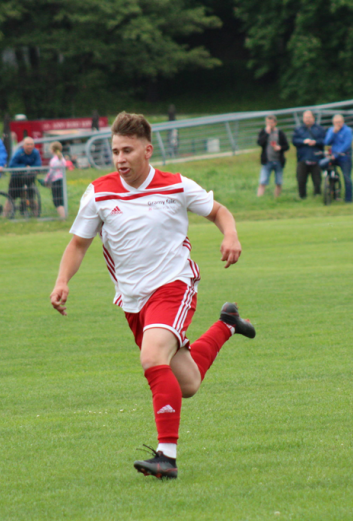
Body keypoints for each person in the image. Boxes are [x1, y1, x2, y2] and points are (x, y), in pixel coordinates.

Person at [50, 112, 256, 480]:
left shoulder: (176, 185)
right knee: (187, 384)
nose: (120, 158)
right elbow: (78, 244)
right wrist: (62, 280)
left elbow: (219, 211)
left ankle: (166, 456)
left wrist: (231, 235)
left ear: (147, 150)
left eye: (127, 150)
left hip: (174, 286)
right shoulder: (98, 192)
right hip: (133, 300)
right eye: (115, 151)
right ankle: (227, 326)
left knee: (151, 357)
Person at [292, 110, 325, 199]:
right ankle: (302, 196)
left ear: (313, 118)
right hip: (303, 158)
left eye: (309, 117)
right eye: (305, 117)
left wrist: (315, 142)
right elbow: (294, 141)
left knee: (317, 179)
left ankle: (317, 195)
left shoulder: (320, 129)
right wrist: (303, 141)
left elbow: (324, 141)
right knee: (301, 179)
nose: (307, 119)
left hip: (316, 158)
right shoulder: (298, 130)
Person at [5, 137, 42, 216]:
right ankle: (5, 215)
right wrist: (24, 167)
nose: (29, 146)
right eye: (27, 144)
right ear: (24, 145)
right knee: (11, 197)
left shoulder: (36, 153)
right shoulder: (19, 153)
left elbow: (38, 164)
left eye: (31, 144)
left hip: (29, 178)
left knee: (31, 196)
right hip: (16, 178)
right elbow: (12, 165)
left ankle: (36, 214)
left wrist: (31, 169)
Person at [323, 114, 353, 203]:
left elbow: (346, 145)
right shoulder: (331, 130)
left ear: (343, 122)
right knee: (327, 169)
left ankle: (348, 199)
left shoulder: (348, 131)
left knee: (347, 177)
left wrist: (336, 155)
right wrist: (333, 132)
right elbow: (327, 142)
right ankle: (331, 191)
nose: (338, 124)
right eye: (336, 123)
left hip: (344, 157)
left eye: (339, 122)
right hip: (333, 156)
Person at [256, 115, 289, 198]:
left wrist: (280, 148)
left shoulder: (280, 133)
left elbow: (286, 146)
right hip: (267, 160)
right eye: (267, 122)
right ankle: (259, 198)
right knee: (263, 181)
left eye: (271, 122)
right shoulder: (263, 132)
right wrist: (266, 134)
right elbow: (260, 143)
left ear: (275, 123)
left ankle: (276, 198)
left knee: (278, 181)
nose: (269, 124)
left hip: (278, 160)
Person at [42, 141, 67, 219]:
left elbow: (51, 172)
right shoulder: (62, 159)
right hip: (61, 180)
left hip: (55, 181)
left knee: (57, 201)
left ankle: (62, 217)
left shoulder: (54, 160)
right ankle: (64, 215)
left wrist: (46, 180)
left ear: (52, 150)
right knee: (61, 199)